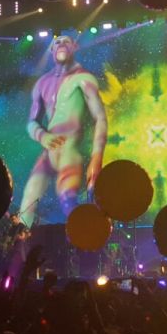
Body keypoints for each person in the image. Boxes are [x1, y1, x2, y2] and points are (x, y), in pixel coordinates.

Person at [20, 34, 107, 227]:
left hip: (70, 149)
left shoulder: (83, 78)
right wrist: (42, 135)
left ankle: (87, 236)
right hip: (49, 150)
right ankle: (19, 242)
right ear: (51, 50)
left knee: (68, 199)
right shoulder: (42, 83)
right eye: (57, 42)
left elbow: (100, 118)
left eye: (66, 41)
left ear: (74, 46)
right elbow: (31, 122)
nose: (61, 44)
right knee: (28, 201)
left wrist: (97, 157)